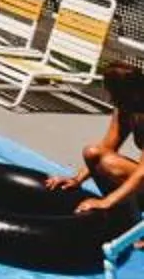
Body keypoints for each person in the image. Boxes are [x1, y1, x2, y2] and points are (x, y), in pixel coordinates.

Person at [47, 64, 144, 226]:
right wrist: (76, 180)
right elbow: (105, 149)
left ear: (130, 93)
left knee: (110, 164)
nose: (110, 99)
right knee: (93, 153)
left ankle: (130, 222)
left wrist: (107, 201)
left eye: (114, 93)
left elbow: (142, 173)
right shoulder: (125, 107)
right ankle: (124, 215)